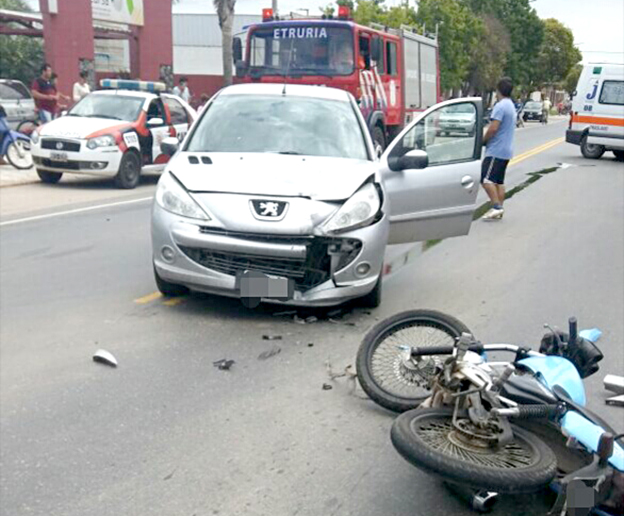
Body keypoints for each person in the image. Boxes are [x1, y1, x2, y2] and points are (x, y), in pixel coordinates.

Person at [481, 77, 517, 221]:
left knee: (486, 179)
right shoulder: (510, 105)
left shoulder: (500, 106)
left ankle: (496, 206)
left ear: (498, 90)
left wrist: (484, 140)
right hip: (506, 150)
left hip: (496, 150)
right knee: (498, 182)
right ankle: (500, 208)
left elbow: (493, 128)